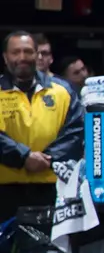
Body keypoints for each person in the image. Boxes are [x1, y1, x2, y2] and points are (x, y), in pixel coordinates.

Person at [0, 32, 82, 188]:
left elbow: (76, 131)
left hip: (54, 184)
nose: (22, 57)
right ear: (5, 57)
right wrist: (24, 158)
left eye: (28, 51)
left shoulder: (63, 90)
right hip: (5, 187)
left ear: (37, 55)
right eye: (16, 52)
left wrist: (47, 159)